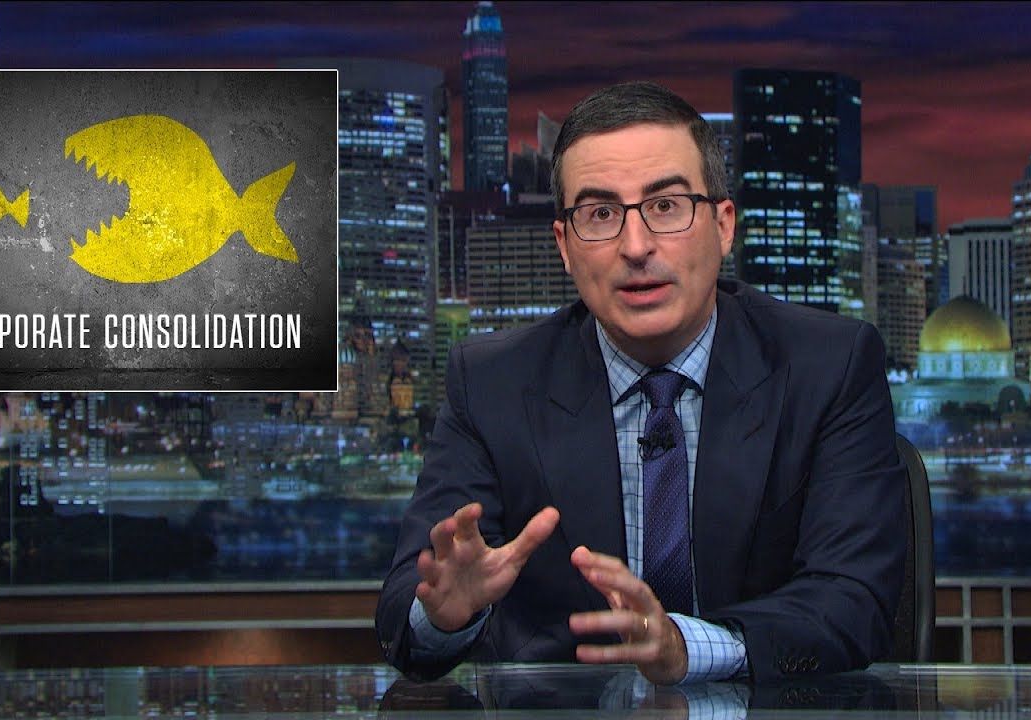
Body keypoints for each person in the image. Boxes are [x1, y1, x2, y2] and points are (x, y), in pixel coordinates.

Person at [375, 81, 905, 685]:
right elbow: (405, 612)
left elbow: (855, 600)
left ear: (723, 225)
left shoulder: (829, 366)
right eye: (600, 214)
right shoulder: (493, 384)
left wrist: (688, 647)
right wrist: (443, 617)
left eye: (667, 206)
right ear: (565, 246)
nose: (636, 246)